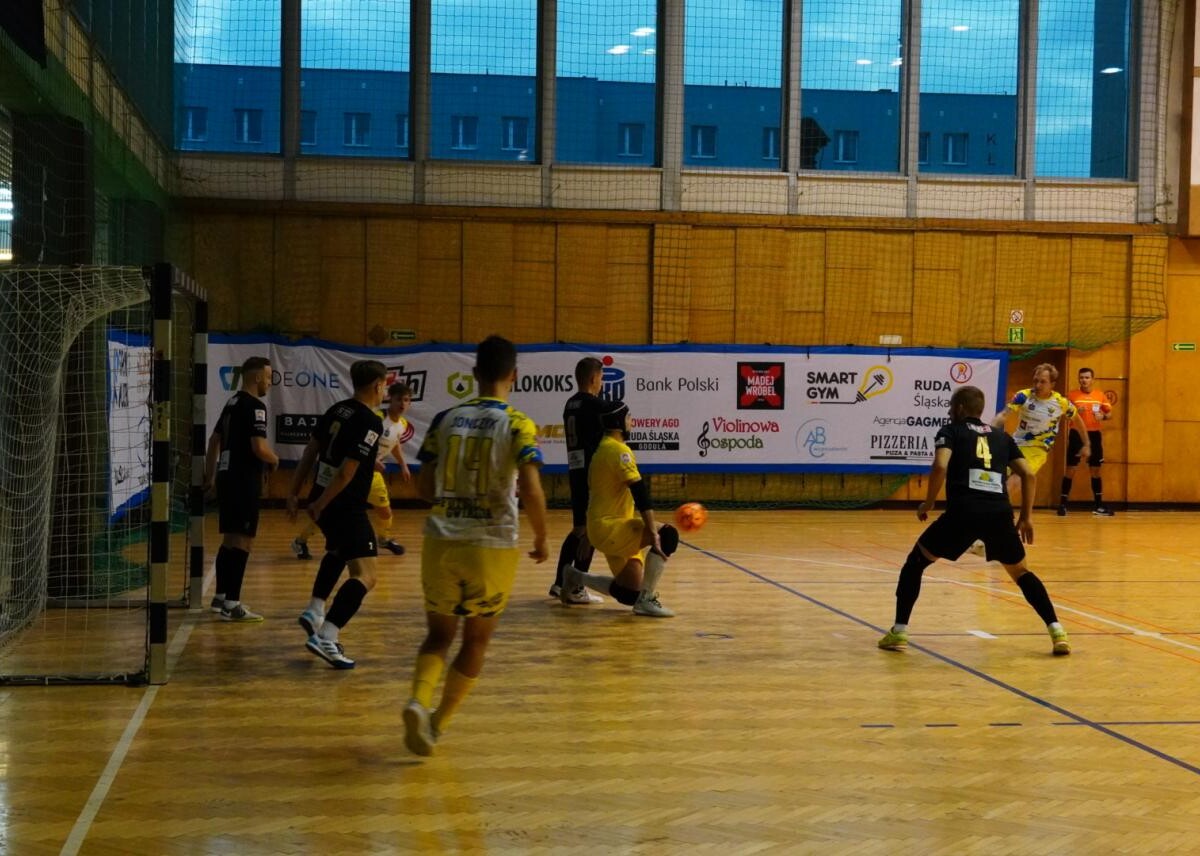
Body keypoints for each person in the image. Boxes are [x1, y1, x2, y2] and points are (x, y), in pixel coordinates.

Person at [403, 335, 549, 756]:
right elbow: (533, 490)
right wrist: (540, 536)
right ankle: (436, 724)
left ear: (473, 375)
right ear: (513, 376)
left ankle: (417, 699)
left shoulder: (446, 418)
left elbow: (425, 487)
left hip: (441, 541)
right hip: (492, 545)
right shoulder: (518, 423)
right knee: (475, 642)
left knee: (437, 636)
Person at [878, 385, 1071, 656]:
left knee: (915, 564)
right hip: (999, 514)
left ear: (958, 409)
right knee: (1022, 573)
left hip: (962, 513)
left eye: (950, 408)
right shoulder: (1001, 437)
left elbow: (941, 465)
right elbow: (1028, 475)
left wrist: (929, 501)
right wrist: (1027, 516)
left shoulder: (951, 431)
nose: (948, 412)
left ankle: (899, 631)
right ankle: (1057, 631)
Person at [285, 360, 388, 669]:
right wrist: (322, 504)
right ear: (377, 385)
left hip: (322, 498)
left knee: (337, 551)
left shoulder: (337, 409)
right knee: (367, 576)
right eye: (384, 385)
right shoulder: (370, 421)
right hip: (343, 504)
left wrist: (295, 493)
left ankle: (315, 609)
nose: (384, 390)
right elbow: (347, 472)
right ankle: (327, 635)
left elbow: (310, 452)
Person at [560, 399, 678, 618]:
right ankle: (647, 600)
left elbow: (595, 495)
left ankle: (575, 576)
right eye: (628, 417)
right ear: (618, 422)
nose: (632, 422)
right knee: (668, 535)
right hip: (613, 529)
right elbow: (640, 493)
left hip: (606, 528)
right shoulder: (618, 451)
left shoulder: (602, 450)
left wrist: (589, 532)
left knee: (628, 593)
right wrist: (653, 532)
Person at [967, 363, 1089, 557]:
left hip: (1038, 449)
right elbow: (1002, 416)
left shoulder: (1061, 403)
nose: (1038, 385)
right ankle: (984, 531)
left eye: (1043, 381)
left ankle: (990, 535)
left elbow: (1078, 421)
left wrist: (1086, 444)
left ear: (1052, 384)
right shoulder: (1023, 396)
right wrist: (987, 431)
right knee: (990, 485)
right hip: (1015, 444)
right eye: (1036, 380)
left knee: (1014, 482)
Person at [290, 381, 414, 559]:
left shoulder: (402, 423)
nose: (402, 404)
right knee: (329, 512)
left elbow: (395, 444)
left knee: (385, 511)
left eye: (406, 400)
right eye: (398, 400)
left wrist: (403, 464)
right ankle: (300, 541)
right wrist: (370, 461)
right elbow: (356, 448)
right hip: (356, 472)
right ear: (390, 399)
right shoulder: (376, 418)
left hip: (374, 476)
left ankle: (384, 539)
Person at [204, 355, 279, 621]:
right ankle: (233, 604)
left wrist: (210, 476)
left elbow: (214, 440)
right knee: (243, 542)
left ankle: (221, 597)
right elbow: (258, 448)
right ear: (257, 376)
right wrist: (275, 459)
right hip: (243, 479)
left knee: (230, 539)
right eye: (268, 377)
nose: (269, 383)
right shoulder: (255, 406)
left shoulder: (232, 402)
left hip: (226, 477)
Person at [548, 356, 606, 604]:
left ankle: (560, 582)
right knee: (589, 530)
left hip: (575, 471)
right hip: (591, 474)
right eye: (602, 377)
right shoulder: (594, 405)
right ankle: (576, 588)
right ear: (594, 378)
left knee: (579, 528)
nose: (602, 383)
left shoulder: (570, 404)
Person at [1061, 367, 1115, 516]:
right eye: (1081, 378)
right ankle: (1063, 505)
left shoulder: (1100, 395)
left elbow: (1109, 413)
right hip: (1077, 435)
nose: (1084, 380)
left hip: (1094, 435)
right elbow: (1065, 414)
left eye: (1087, 377)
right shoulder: (1072, 395)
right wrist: (1075, 414)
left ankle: (1098, 506)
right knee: (1071, 468)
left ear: (1092, 379)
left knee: (1096, 470)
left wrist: (1103, 417)